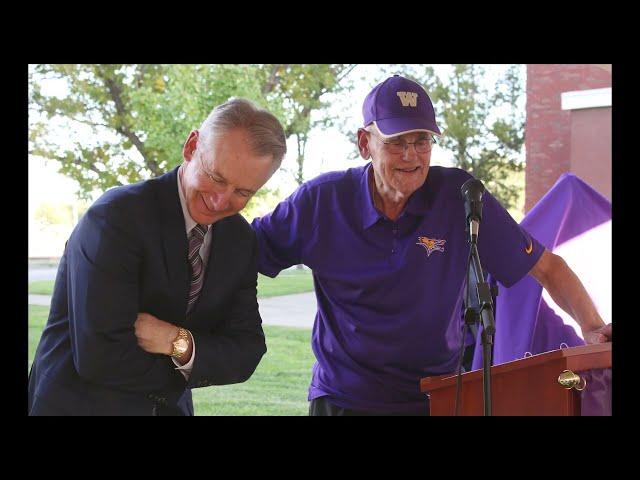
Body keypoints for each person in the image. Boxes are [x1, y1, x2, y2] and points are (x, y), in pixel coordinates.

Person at [251, 74, 612, 416]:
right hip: (347, 398)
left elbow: (548, 267)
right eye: (396, 142)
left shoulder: (461, 197)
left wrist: (592, 326)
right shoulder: (321, 201)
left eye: (421, 140)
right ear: (365, 144)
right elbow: (245, 250)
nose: (411, 156)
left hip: (437, 396)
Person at [28, 98, 287, 415]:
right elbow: (101, 358)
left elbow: (247, 351)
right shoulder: (116, 217)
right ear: (192, 147)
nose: (221, 201)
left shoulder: (240, 239)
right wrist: (197, 364)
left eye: (242, 192)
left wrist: (177, 342)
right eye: (216, 178)